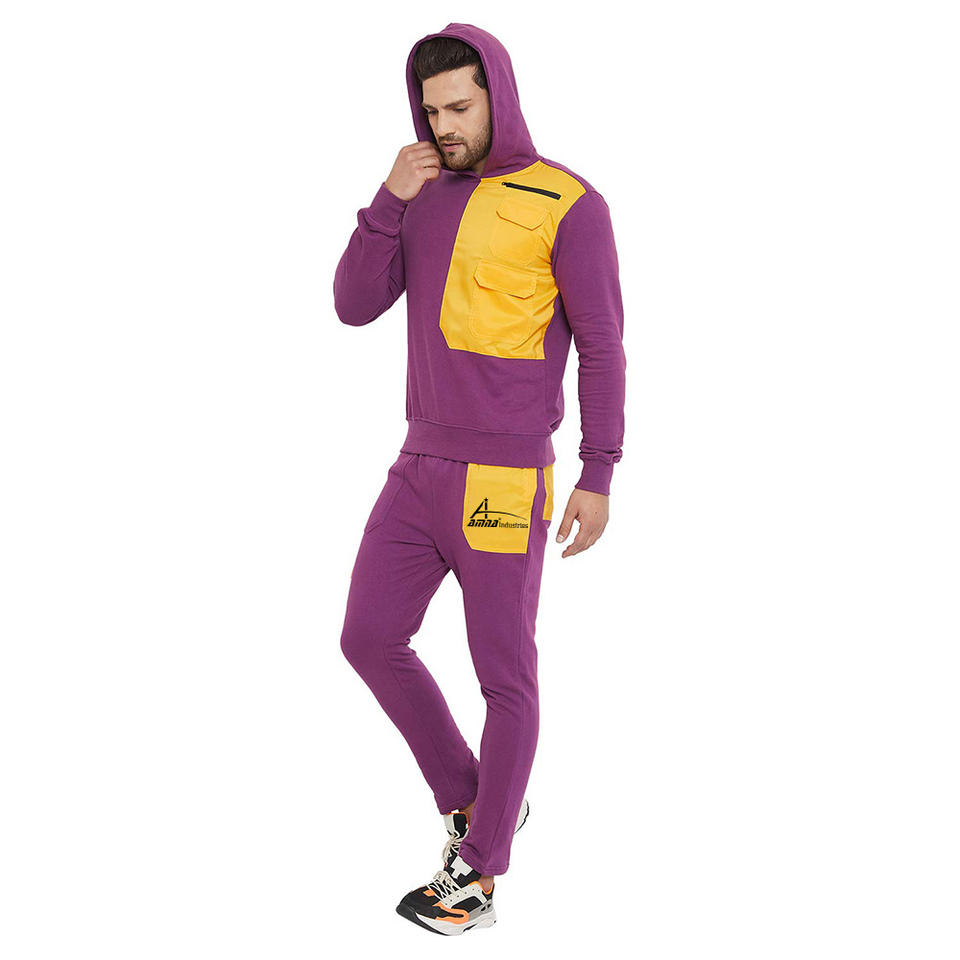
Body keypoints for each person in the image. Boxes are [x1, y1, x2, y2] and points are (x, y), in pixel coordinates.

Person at [333, 22, 626, 935]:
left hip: (504, 476)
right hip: (418, 464)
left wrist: (598, 471)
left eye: (460, 106)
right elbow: (352, 305)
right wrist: (388, 197)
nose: (445, 126)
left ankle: (479, 875)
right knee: (368, 636)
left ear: (499, 93)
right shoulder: (419, 194)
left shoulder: (569, 202)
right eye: (431, 111)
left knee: (505, 673)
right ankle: (480, 798)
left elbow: (603, 346)